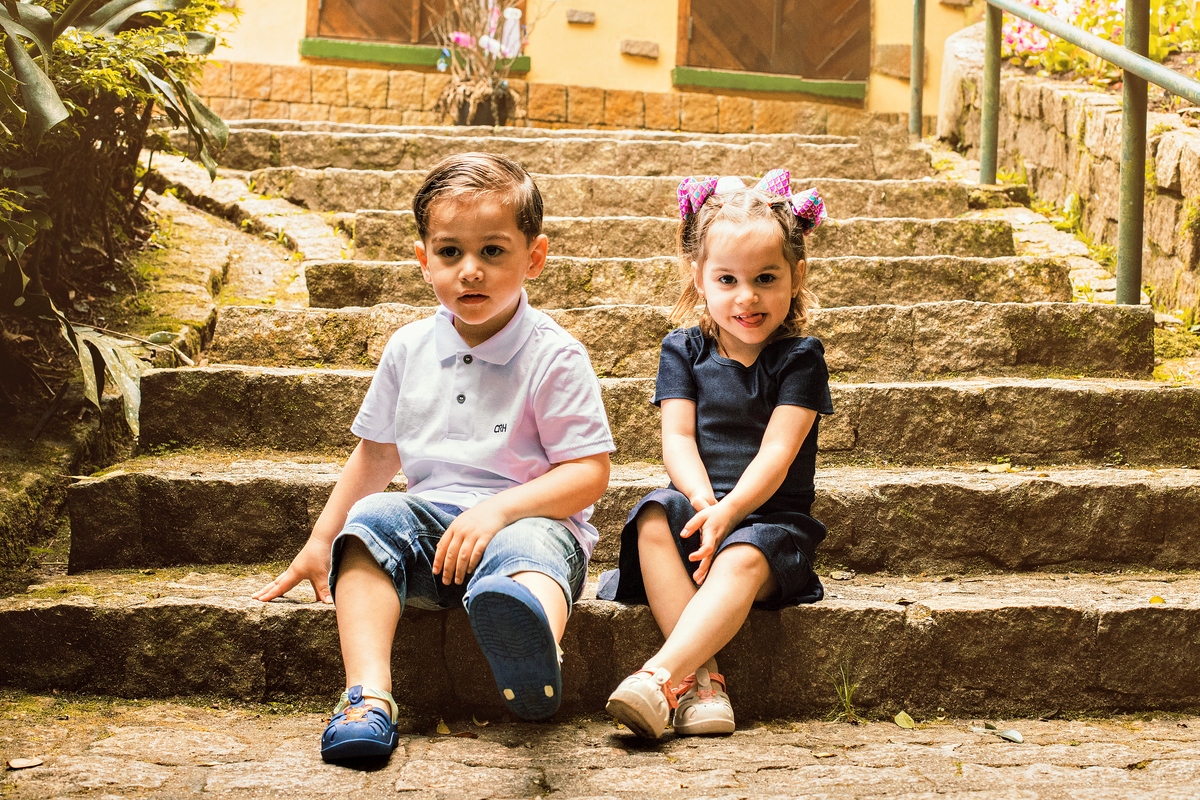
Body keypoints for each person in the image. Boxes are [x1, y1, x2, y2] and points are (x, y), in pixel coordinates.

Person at [253, 152, 614, 761]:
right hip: (434, 536)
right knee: (369, 525)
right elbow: (376, 456)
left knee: (528, 553)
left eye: (493, 250)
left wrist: (497, 511)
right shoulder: (408, 348)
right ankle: (367, 698)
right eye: (450, 252)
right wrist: (322, 540)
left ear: (535, 257)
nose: (470, 270)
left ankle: (532, 644)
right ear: (424, 260)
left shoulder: (555, 356)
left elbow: (589, 474)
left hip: (530, 521)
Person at [596, 170, 832, 739]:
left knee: (744, 554)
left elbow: (778, 451)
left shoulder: (800, 359)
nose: (747, 297)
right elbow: (678, 438)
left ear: (796, 276)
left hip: (770, 521)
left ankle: (659, 676)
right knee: (654, 515)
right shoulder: (682, 349)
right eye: (728, 279)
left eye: (766, 278)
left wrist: (730, 513)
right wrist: (704, 503)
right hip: (701, 507)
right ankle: (703, 684)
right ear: (698, 277)